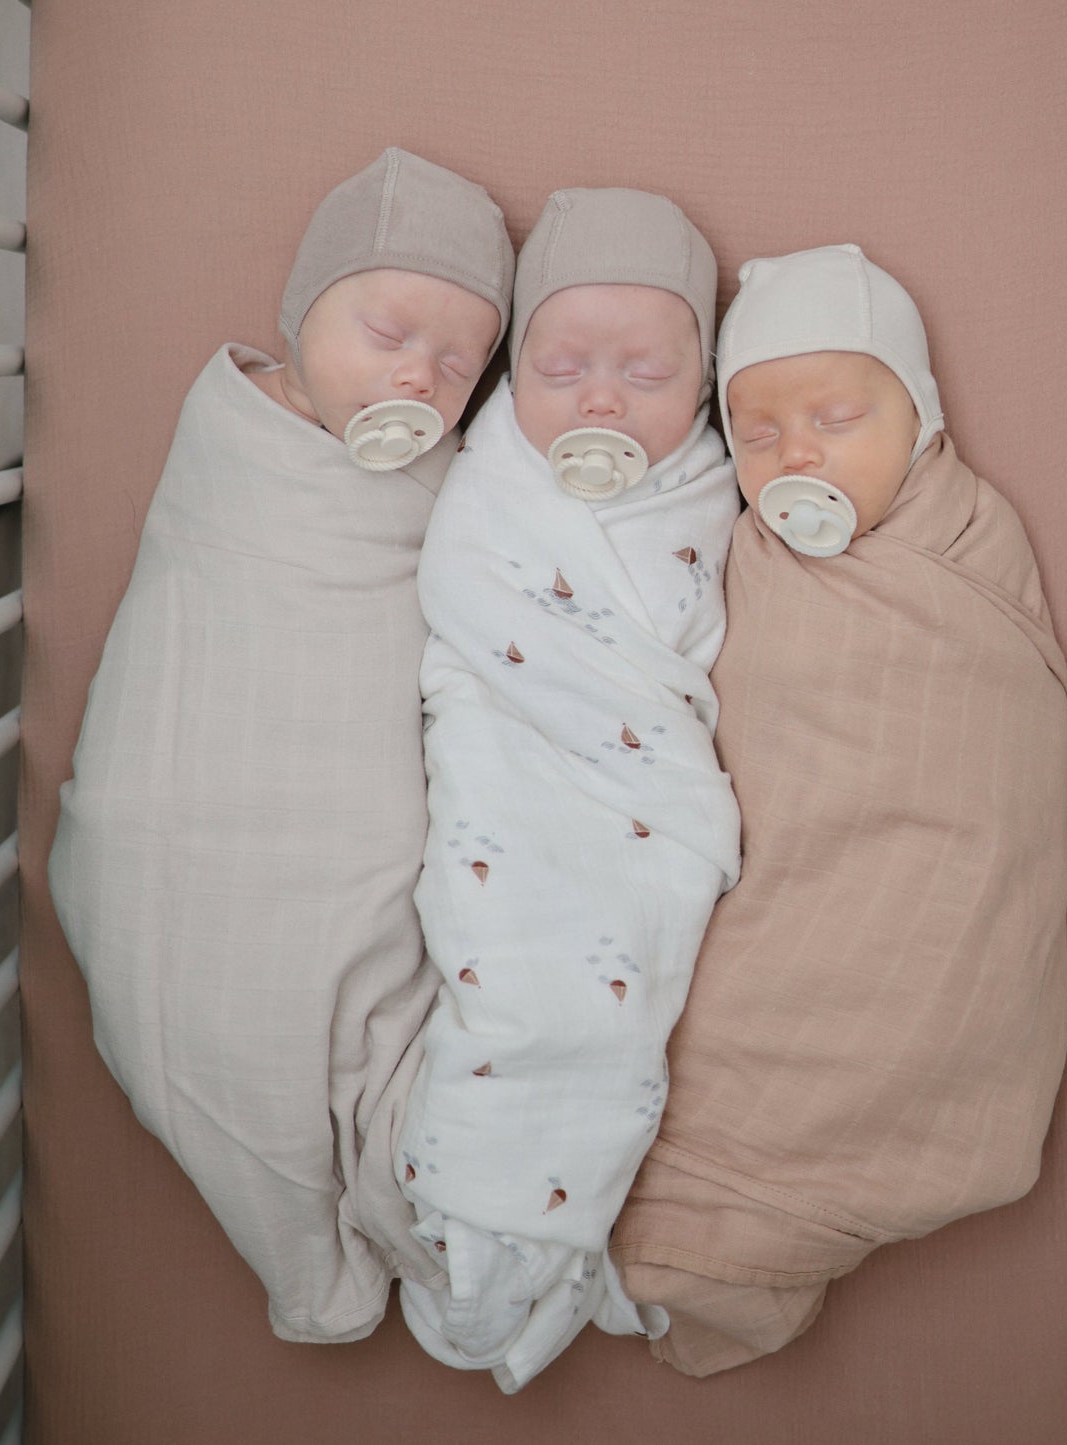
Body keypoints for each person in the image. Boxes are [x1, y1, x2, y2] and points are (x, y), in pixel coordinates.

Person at [47, 148, 514, 1346]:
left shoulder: (457, 475)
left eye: (458, 364)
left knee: (363, 989)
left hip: (345, 825)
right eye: (386, 335)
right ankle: (310, 1254)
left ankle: (390, 1209)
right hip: (180, 803)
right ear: (299, 313)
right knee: (198, 1001)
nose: (416, 376)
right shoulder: (235, 433)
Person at [610, 243, 1067, 1377]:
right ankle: (727, 1213)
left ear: (921, 420)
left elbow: (989, 742)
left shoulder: (969, 542)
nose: (796, 456)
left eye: (835, 419)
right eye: (757, 433)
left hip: (926, 877)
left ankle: (756, 1205)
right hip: (777, 884)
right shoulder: (736, 551)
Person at [393, 187, 742, 1392]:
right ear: (512, 376)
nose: (600, 401)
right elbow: (461, 595)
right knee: (506, 972)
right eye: (562, 369)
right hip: (509, 762)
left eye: (645, 375)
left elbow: (697, 641)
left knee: (619, 998)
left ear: (703, 387)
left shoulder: (705, 485)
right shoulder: (492, 475)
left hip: (640, 795)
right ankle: (490, 1209)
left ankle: (542, 1217)